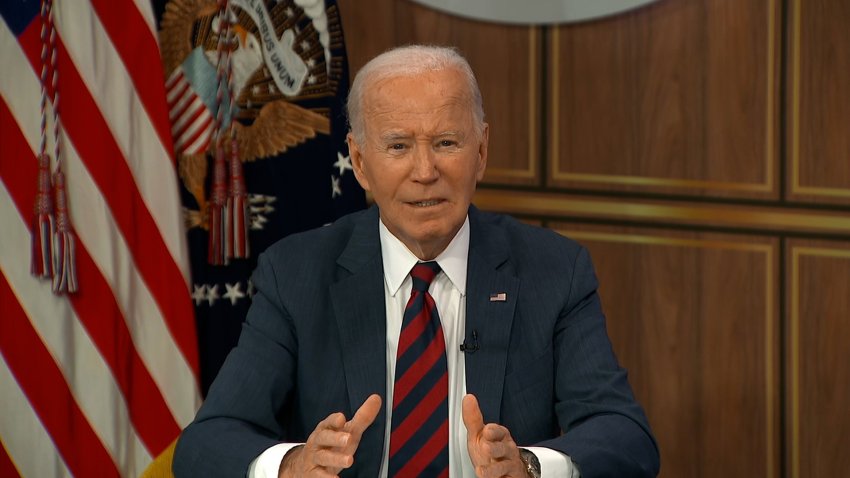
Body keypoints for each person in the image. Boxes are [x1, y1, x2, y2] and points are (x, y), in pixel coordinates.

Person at [173, 45, 659, 478]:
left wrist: (530, 467)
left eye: (447, 142)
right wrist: (290, 466)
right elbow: (205, 445)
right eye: (399, 146)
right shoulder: (297, 273)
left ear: (482, 152)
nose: (425, 172)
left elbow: (627, 440)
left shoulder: (553, 270)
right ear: (360, 163)